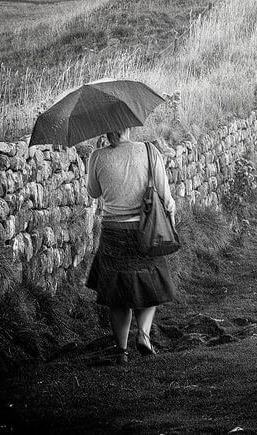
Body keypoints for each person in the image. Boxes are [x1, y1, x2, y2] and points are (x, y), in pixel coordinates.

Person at [85, 127, 177, 364]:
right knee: (152, 284)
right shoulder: (148, 150)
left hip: (113, 232)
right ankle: (144, 335)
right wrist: (171, 219)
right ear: (129, 126)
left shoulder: (97, 156)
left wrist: (98, 159)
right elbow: (165, 196)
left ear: (104, 129)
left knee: (117, 294)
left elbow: (93, 193)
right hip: (144, 231)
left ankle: (121, 351)